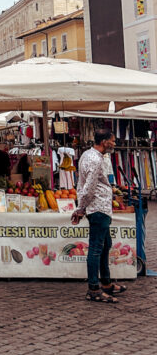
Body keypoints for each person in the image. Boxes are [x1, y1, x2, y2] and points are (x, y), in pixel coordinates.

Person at [73, 130, 124, 303]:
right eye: (112, 141)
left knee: (105, 245)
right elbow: (89, 187)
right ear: (103, 142)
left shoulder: (88, 155)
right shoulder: (94, 159)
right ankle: (93, 288)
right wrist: (80, 209)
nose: (114, 144)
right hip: (98, 208)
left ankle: (106, 283)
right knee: (96, 249)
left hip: (100, 207)